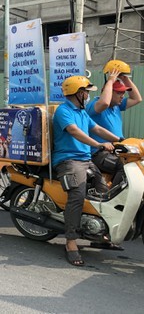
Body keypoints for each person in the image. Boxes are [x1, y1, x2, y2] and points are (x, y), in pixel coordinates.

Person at [53, 76, 121, 267]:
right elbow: (75, 132)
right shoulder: (63, 110)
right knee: (77, 195)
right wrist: (99, 145)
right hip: (68, 160)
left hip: (86, 160)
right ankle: (71, 241)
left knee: (104, 192)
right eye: (86, 91)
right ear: (78, 93)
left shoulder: (82, 112)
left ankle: (98, 234)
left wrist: (120, 140)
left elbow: (97, 128)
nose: (88, 95)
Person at [87, 60, 142, 187]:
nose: (122, 96)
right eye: (119, 92)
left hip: (116, 151)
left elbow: (137, 98)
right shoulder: (95, 106)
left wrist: (125, 78)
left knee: (137, 164)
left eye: (123, 92)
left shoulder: (116, 106)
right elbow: (105, 102)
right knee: (126, 169)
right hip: (99, 152)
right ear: (108, 91)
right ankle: (112, 197)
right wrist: (111, 80)